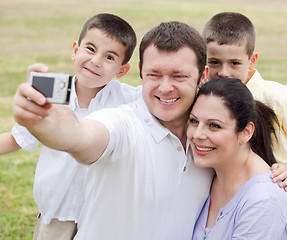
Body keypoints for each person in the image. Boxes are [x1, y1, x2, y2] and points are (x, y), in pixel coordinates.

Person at [12, 21, 214, 240]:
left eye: (179, 76)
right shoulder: (123, 123)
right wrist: (44, 119)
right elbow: (80, 134)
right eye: (154, 75)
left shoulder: (212, 136)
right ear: (140, 73)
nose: (165, 88)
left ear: (203, 76)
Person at [202, 12, 287, 239]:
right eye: (214, 62)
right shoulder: (206, 98)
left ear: (252, 60)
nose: (224, 72)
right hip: (259, 208)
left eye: (235, 63)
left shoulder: (276, 96)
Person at [4, 13, 140, 239]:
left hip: (103, 216)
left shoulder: (127, 99)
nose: (96, 61)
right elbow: (17, 139)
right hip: (57, 213)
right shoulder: (51, 93)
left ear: (122, 70)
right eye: (90, 49)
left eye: (109, 57)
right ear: (75, 50)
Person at [189, 78, 287, 239]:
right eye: (193, 121)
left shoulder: (263, 201)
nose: (197, 134)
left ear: (246, 132)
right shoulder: (209, 173)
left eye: (214, 125)